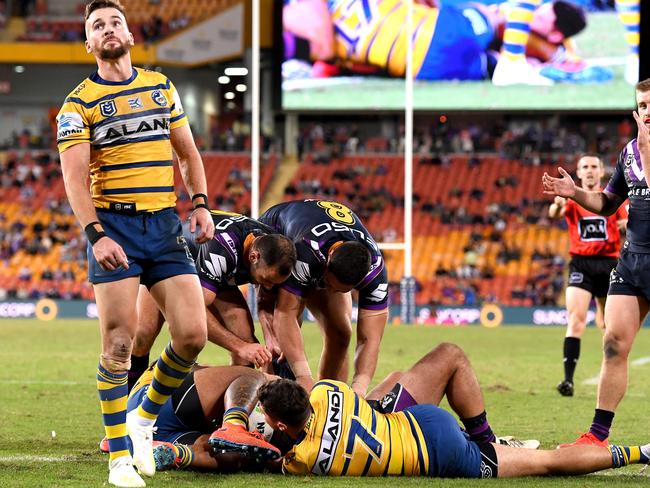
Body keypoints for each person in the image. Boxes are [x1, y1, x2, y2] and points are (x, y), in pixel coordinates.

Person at [56, 1, 215, 486]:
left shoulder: (161, 86)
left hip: (165, 226)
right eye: (97, 25)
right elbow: (76, 179)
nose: (108, 29)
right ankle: (119, 459)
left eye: (115, 21)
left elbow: (187, 151)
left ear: (129, 32)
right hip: (115, 229)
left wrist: (202, 202)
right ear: (89, 44)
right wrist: (95, 234)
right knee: (120, 344)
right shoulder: (76, 104)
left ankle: (143, 418)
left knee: (192, 335)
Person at [542, 78, 650, 447]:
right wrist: (575, 193)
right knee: (613, 344)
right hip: (633, 262)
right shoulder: (629, 154)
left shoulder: (644, 153)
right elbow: (608, 203)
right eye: (643, 106)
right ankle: (597, 435)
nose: (648, 112)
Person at [256, 377, 650, 478]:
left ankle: (640, 454)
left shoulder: (301, 460)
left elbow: (269, 456)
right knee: (390, 385)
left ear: (277, 422)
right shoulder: (327, 392)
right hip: (424, 421)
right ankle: (491, 441)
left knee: (548, 462)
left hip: (438, 455)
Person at [211, 341, 538, 459]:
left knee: (396, 375)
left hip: (353, 428)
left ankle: (482, 440)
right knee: (450, 356)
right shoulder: (283, 412)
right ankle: (488, 442)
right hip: (378, 423)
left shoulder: (277, 444)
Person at [127, 210, 297, 389]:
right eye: (266, 280)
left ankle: (235, 409)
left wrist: (271, 338)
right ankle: (128, 400)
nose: (268, 287)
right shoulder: (222, 249)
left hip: (216, 274)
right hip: (166, 261)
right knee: (144, 333)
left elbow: (273, 301)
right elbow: (193, 315)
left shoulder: (274, 247)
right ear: (254, 257)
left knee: (247, 339)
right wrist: (239, 347)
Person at [258, 199, 388, 396]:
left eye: (342, 290)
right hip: (278, 235)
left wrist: (359, 390)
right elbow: (285, 313)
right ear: (327, 263)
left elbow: (371, 339)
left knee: (341, 334)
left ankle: (328, 401)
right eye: (329, 285)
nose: (333, 292)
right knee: (278, 345)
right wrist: (304, 377)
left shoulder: (376, 272)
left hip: (320, 243)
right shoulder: (306, 251)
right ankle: (270, 403)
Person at [283, 0, 587, 82]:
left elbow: (363, 67)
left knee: (490, 67)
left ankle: (540, 65)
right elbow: (321, 42)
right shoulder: (304, 12)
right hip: (436, 32)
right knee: (492, 17)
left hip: (424, 67)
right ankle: (554, 59)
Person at [548, 156, 627, 397]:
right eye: (585, 167)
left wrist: (627, 225)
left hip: (609, 264)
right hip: (581, 265)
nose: (590, 171)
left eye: (594, 166)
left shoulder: (611, 199)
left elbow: (625, 222)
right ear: (579, 173)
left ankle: (611, 374)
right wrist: (559, 205)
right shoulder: (571, 198)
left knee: (607, 325)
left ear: (602, 172)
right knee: (576, 319)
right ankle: (568, 380)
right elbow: (555, 211)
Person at [127, 364, 284, 471]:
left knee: (230, 455)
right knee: (253, 376)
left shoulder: (175, 362)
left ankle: (175, 453)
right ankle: (234, 426)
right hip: (160, 401)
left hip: (144, 427)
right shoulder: (176, 361)